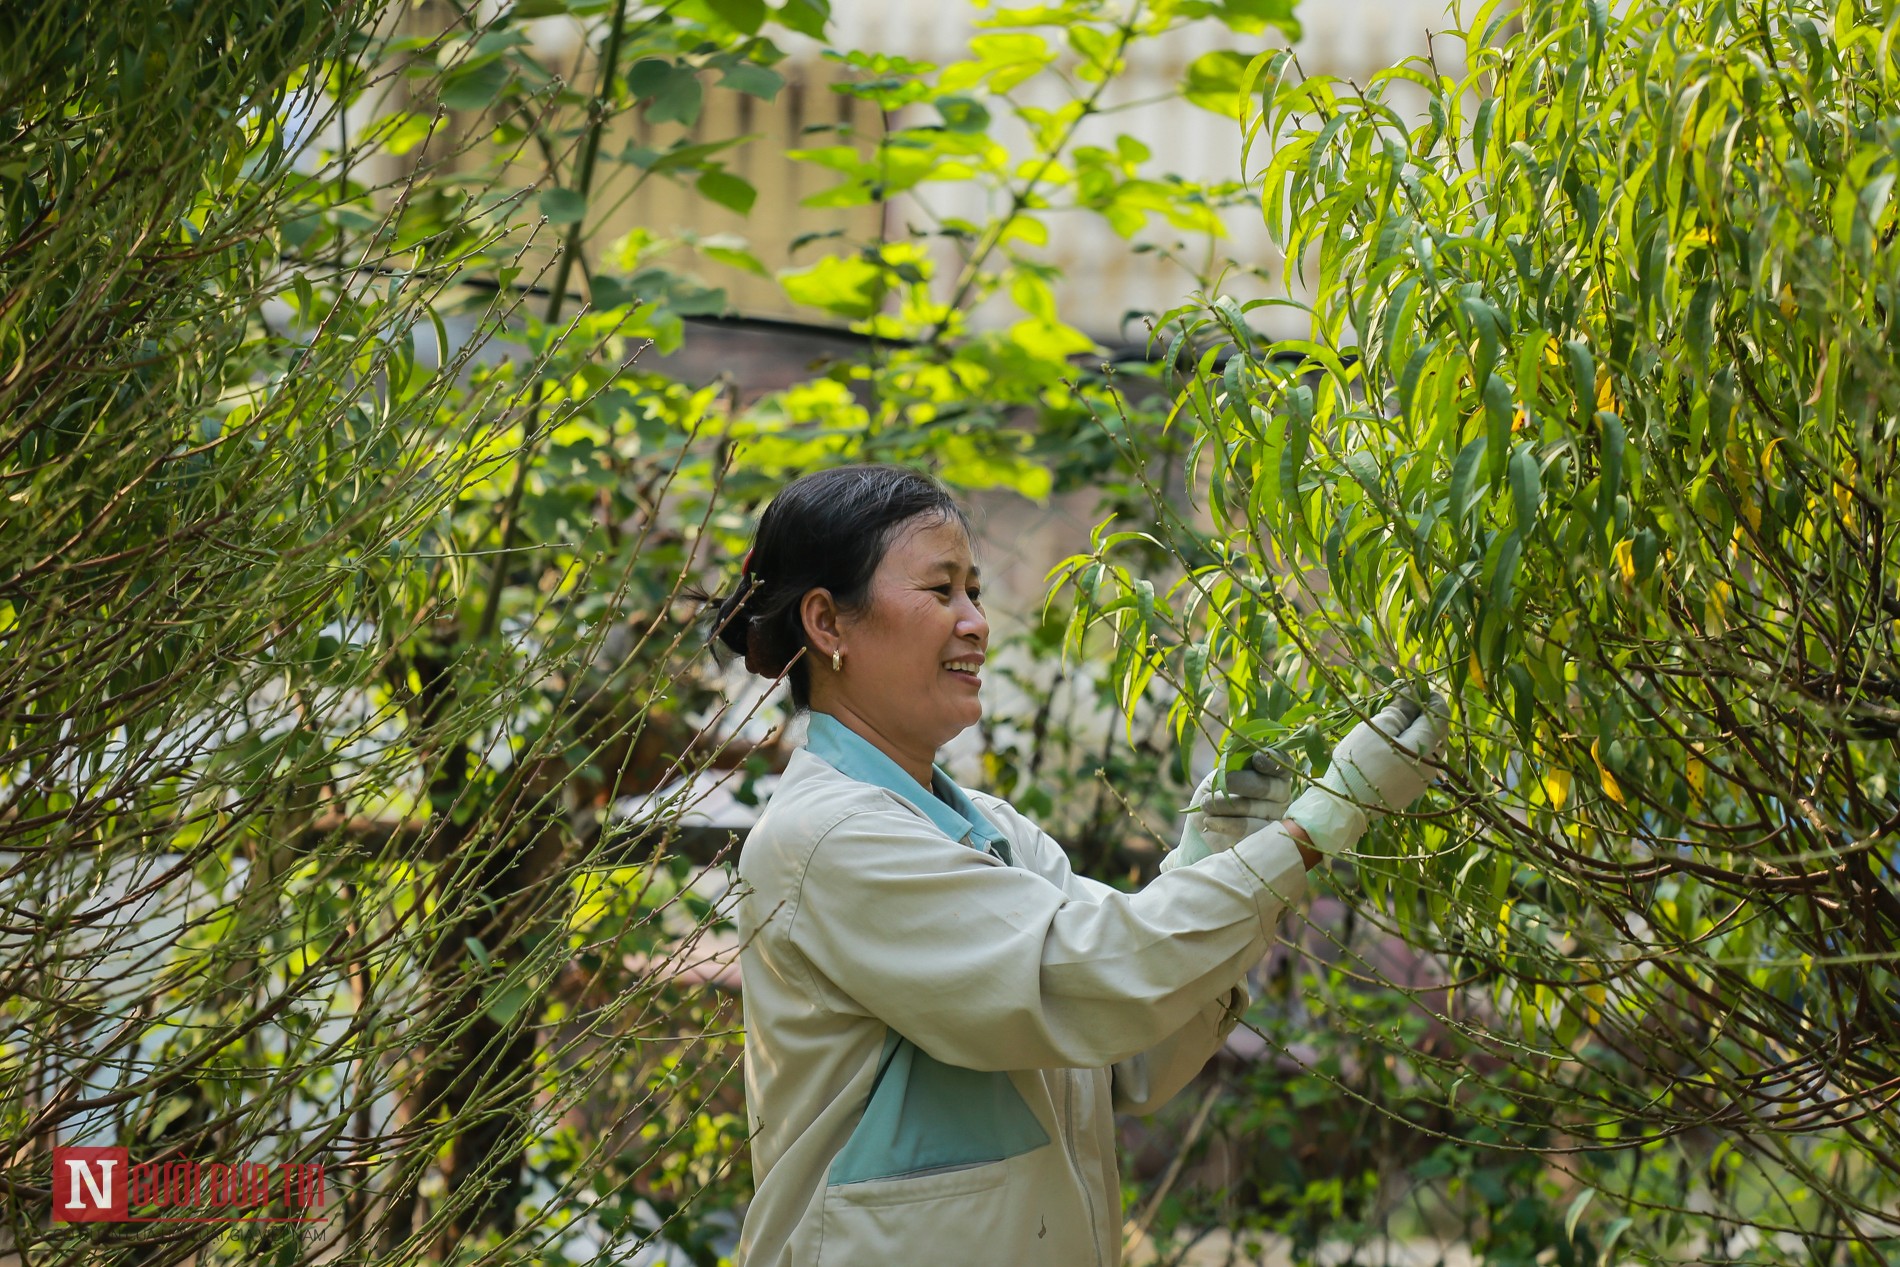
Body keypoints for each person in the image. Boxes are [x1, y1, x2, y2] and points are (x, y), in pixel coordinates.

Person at [709, 465, 1448, 1266]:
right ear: (828, 622)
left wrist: (1215, 856)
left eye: (976, 591)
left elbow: (1130, 1045)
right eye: (941, 589)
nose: (975, 623)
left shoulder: (989, 829)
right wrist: (1315, 826)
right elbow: (1096, 976)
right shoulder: (827, 838)